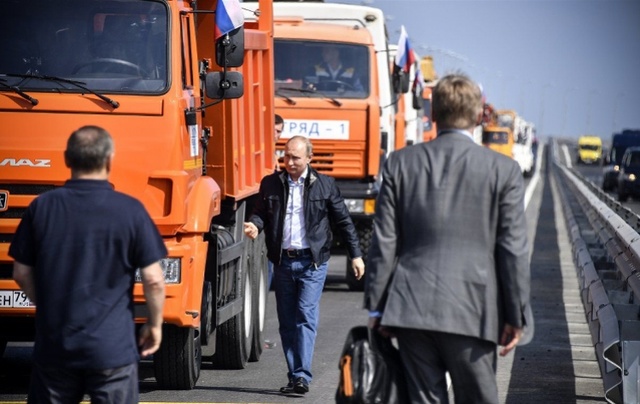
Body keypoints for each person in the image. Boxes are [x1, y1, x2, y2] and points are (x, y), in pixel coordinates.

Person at [364, 73, 532, 404]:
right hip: (474, 310)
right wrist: (516, 316)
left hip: (410, 307)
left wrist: (378, 307)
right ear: (479, 115)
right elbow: (512, 250)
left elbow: (384, 241)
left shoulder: (400, 163)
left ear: (434, 113)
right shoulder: (503, 170)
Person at [9, 125, 167, 403]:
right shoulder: (130, 210)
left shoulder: (42, 207)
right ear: (109, 160)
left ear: (67, 159)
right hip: (112, 350)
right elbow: (154, 279)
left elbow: (21, 272)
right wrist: (154, 325)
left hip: (56, 346)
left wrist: (48, 306)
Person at [243, 135, 365, 396]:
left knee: (305, 316)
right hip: (283, 262)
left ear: (309, 158)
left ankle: (302, 376)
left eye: (296, 157)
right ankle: (294, 375)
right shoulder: (271, 184)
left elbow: (344, 221)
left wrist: (356, 255)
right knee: (287, 322)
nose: (289, 162)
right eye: (286, 156)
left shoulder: (325, 184)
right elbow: (260, 213)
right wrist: (254, 224)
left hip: (312, 263)